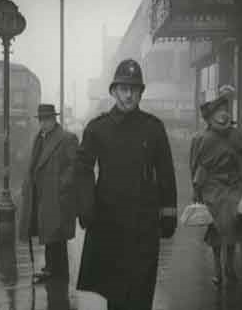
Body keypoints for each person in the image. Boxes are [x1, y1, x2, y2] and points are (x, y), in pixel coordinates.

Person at [75, 59, 177, 310]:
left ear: (141, 92)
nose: (129, 94)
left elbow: (165, 172)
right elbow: (82, 169)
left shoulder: (153, 128)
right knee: (116, 294)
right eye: (123, 88)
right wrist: (86, 206)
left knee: (142, 292)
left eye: (134, 89)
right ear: (113, 91)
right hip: (109, 223)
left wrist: (168, 212)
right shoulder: (97, 129)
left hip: (144, 226)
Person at [190, 96, 242, 285]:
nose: (223, 114)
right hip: (213, 189)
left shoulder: (235, 136)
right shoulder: (203, 138)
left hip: (233, 187)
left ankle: (229, 267)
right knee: (217, 228)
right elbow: (200, 167)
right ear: (211, 117)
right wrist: (197, 189)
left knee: (232, 225)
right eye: (219, 111)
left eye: (225, 110)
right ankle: (219, 269)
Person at [18, 104, 78, 282]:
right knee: (49, 232)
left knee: (56, 235)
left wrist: (61, 185)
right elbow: (34, 164)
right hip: (42, 195)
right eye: (41, 120)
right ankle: (52, 268)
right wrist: (27, 185)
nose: (43, 123)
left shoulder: (67, 138)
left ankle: (57, 272)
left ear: (54, 119)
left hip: (57, 196)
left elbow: (75, 166)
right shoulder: (39, 139)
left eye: (47, 119)